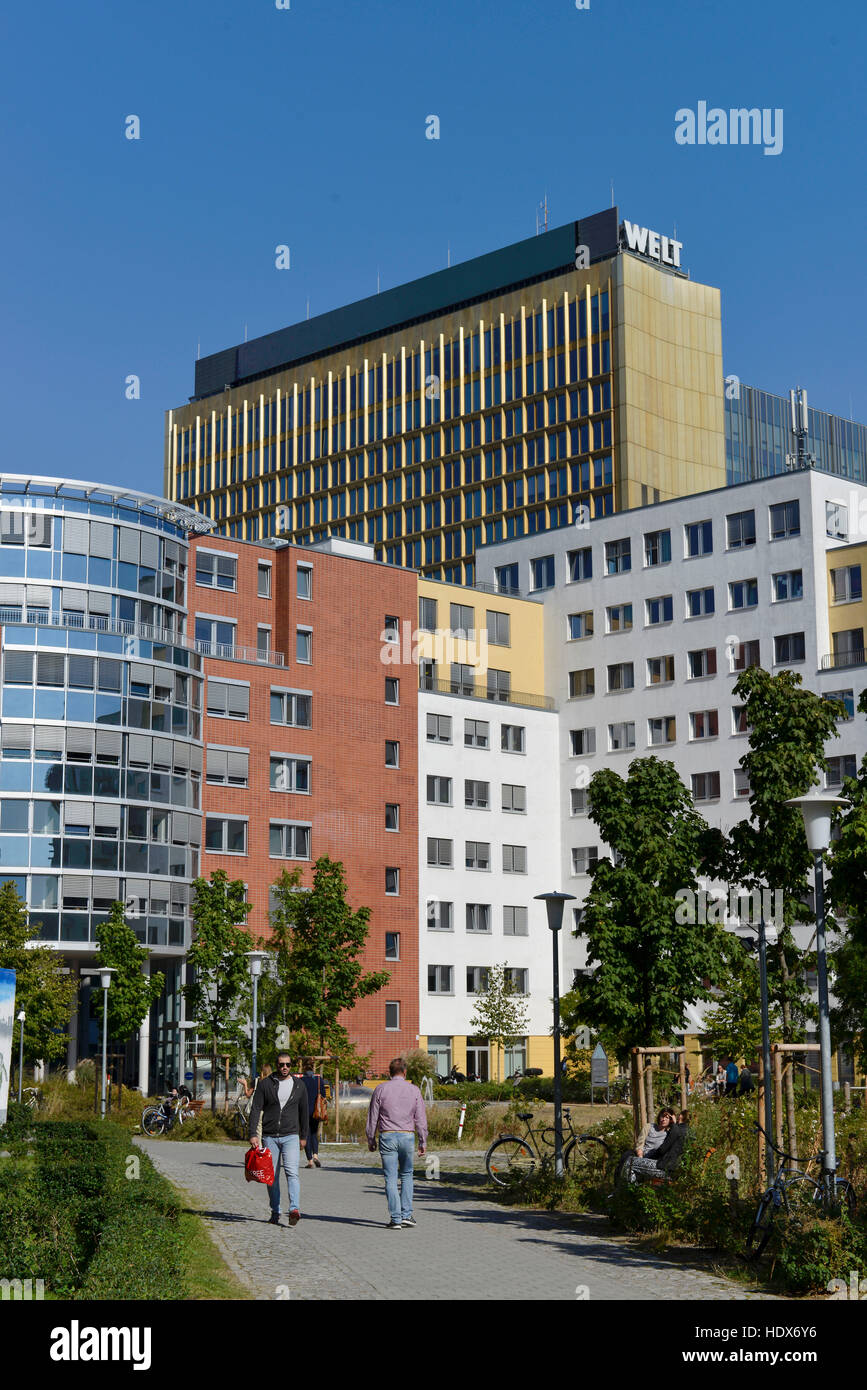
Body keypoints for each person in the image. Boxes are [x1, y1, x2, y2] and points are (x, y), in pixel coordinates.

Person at [248, 1052, 309, 1227]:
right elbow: (256, 1108)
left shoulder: (299, 1086)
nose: (284, 1068)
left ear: (292, 1066)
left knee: (292, 1172)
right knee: (272, 1176)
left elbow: (304, 1112)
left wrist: (304, 1137)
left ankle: (294, 1209)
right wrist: (253, 1134)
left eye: (288, 1065)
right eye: (282, 1064)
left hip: (291, 1135)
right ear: (276, 1065)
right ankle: (275, 1211)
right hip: (270, 1136)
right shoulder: (266, 1084)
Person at [365, 1057, 427, 1229]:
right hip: (407, 1136)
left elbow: (373, 1116)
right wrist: (423, 1140)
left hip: (388, 1136)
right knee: (407, 1175)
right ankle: (407, 1214)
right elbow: (420, 1118)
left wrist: (371, 1138)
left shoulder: (380, 1089)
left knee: (390, 1178)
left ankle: (396, 1218)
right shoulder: (414, 1090)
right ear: (405, 1072)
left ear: (390, 1072)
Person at [628, 1111, 691, 1182]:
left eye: (667, 1117)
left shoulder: (676, 1129)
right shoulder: (690, 1132)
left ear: (681, 1116)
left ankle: (626, 1191)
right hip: (680, 1170)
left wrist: (649, 1157)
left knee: (630, 1162)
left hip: (667, 1168)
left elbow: (662, 1150)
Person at [301, 1059, 326, 1169]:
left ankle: (310, 1161)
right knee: (314, 1134)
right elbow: (324, 1096)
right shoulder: (319, 1080)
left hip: (304, 1111)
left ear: (303, 1068)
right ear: (313, 1068)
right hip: (317, 1111)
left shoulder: (301, 1081)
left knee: (306, 1134)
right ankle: (316, 1155)